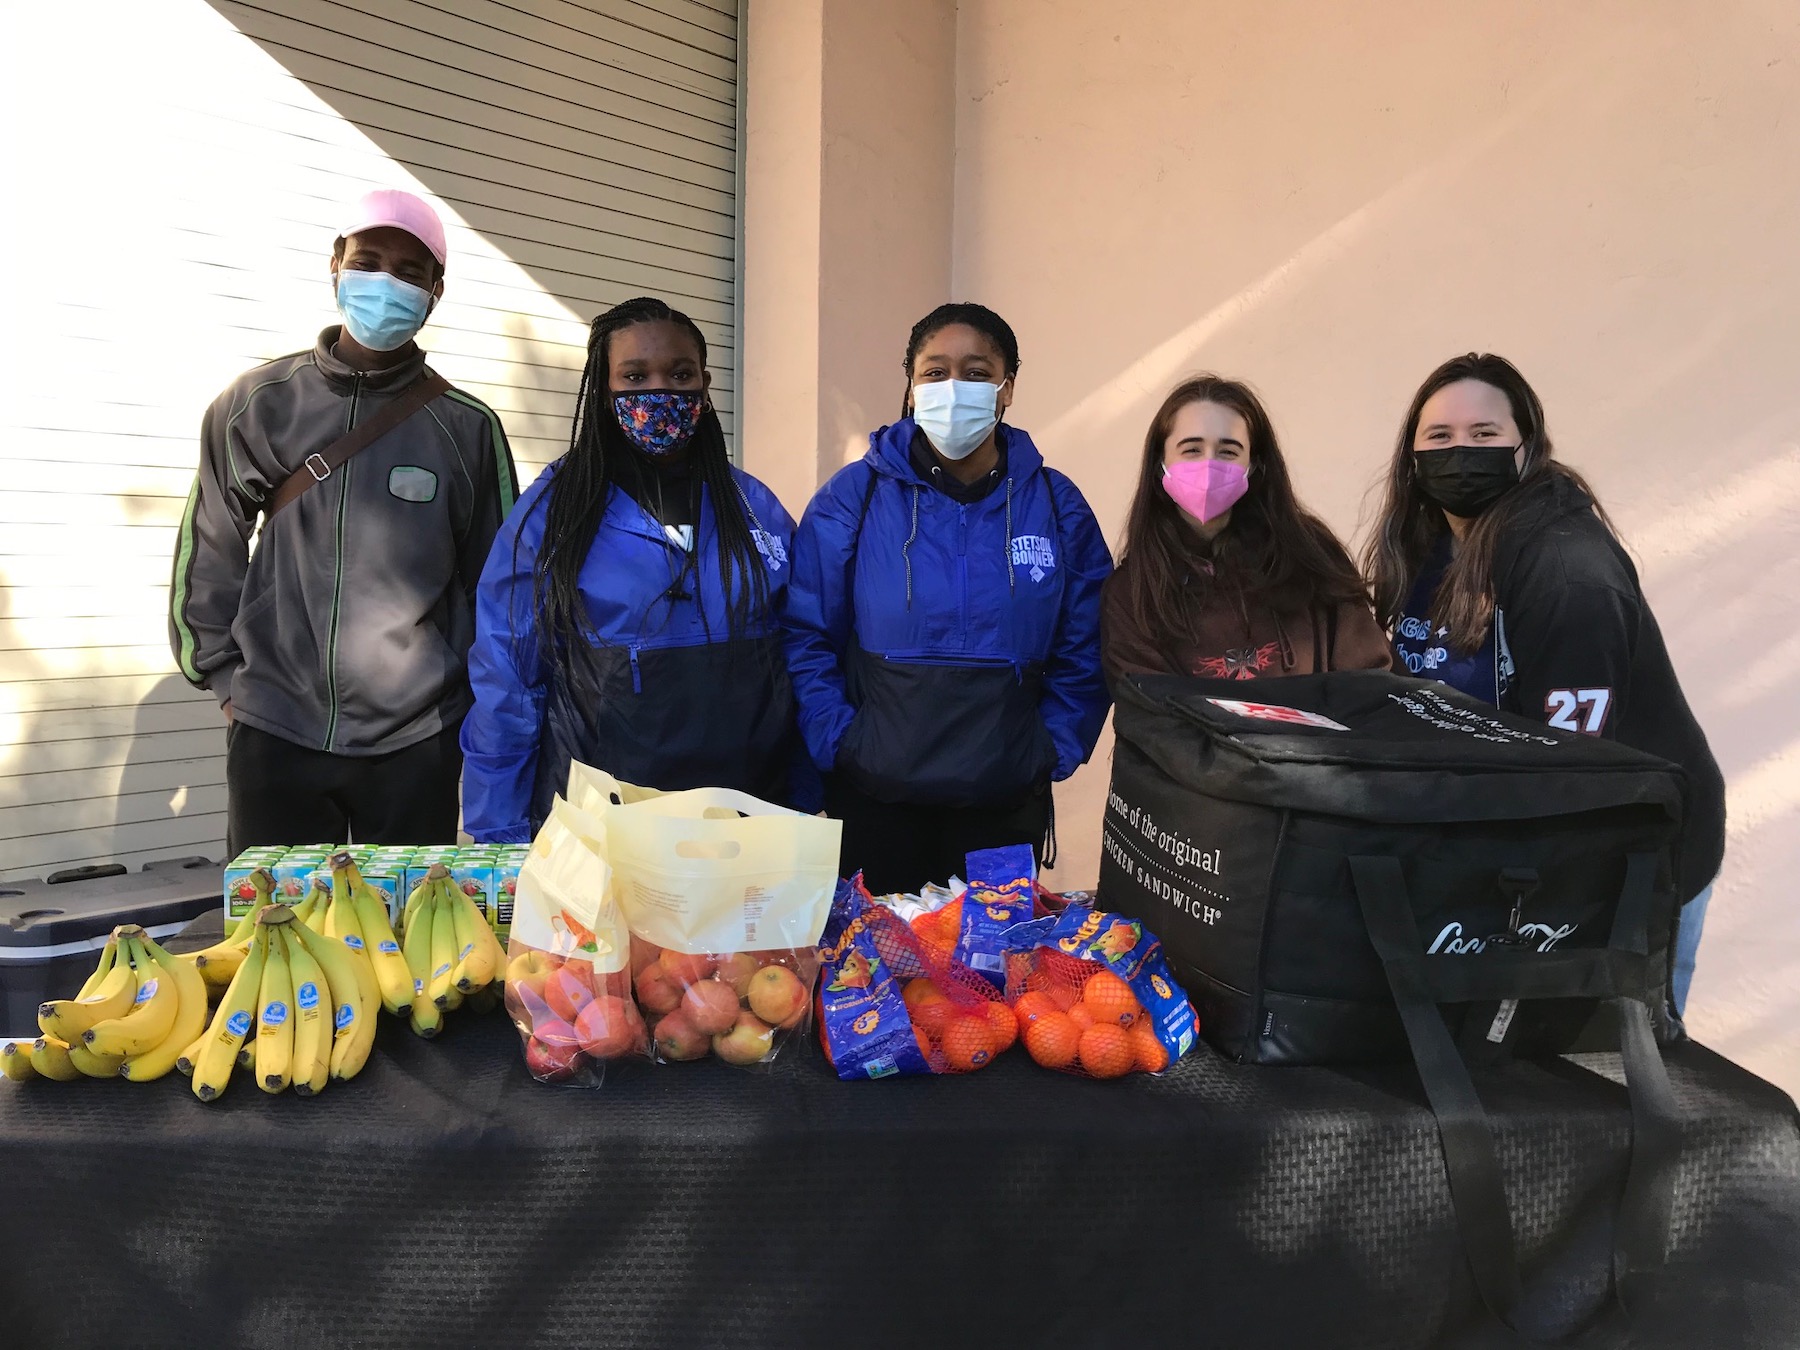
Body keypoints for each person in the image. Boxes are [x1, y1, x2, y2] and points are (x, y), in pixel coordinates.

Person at [1363, 352, 1725, 1014]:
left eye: (1485, 436)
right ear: (1412, 458)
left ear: (1527, 446)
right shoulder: (1429, 547)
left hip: (1634, 852)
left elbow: (1575, 771)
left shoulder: (1567, 572)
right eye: (1440, 438)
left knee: (1601, 1071)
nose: (1461, 454)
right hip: (1512, 838)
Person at [170, 189, 518, 854]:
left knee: (412, 942)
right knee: (281, 939)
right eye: (368, 260)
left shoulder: (468, 430)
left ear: (436, 290)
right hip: (276, 728)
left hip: (416, 742)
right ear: (336, 264)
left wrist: (470, 712)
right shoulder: (256, 405)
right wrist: (223, 680)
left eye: (410, 272)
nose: (386, 282)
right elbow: (210, 542)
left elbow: (495, 585)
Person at [784, 302, 1113, 894]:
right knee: (878, 977)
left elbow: (1087, 644)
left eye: (977, 371)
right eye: (935, 372)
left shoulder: (1056, 505)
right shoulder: (853, 499)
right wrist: (841, 743)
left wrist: (1050, 749)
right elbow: (806, 635)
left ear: (1007, 388)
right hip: (875, 802)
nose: (954, 387)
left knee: (990, 977)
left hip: (1005, 803)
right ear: (910, 387)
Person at [460, 297, 804, 841]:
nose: (660, 391)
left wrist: (807, 803)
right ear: (603, 389)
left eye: (680, 373)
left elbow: (800, 652)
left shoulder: (752, 505)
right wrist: (497, 830)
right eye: (635, 375)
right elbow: (508, 679)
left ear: (706, 385)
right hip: (606, 829)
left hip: (747, 825)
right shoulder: (555, 513)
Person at [1102, 375, 1392, 684]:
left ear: (1254, 465)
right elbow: (1152, 716)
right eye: (1191, 450)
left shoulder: (1311, 555)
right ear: (1160, 462)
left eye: (1228, 451)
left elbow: (1370, 678)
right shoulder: (1133, 591)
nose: (1209, 464)